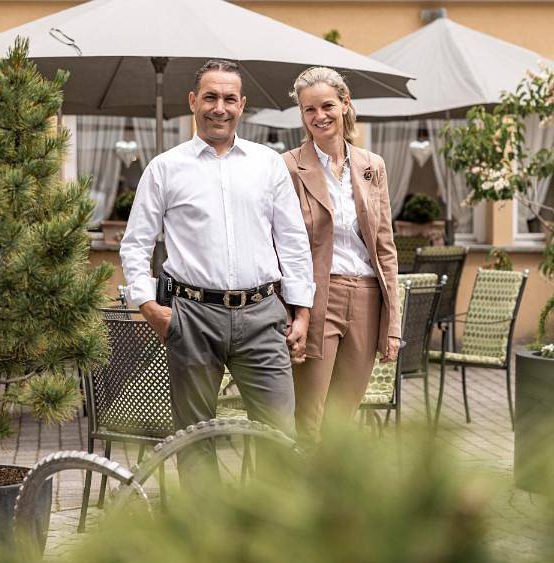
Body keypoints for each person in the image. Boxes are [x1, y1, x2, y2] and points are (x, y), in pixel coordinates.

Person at [120, 59, 314, 470]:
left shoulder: (267, 165)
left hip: (263, 315)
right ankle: (202, 532)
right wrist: (147, 305)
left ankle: (272, 531)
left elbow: (293, 241)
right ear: (193, 101)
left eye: (229, 98)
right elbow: (136, 244)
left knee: (280, 437)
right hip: (192, 315)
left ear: (242, 105)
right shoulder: (165, 169)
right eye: (210, 97)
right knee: (194, 439)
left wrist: (302, 311)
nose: (219, 107)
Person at [284, 66, 401, 446]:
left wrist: (393, 324)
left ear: (346, 103)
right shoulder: (287, 167)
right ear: (301, 115)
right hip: (318, 297)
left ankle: (332, 499)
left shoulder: (372, 166)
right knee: (310, 415)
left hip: (367, 297)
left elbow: (385, 246)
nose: (319, 116)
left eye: (327, 106)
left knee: (343, 414)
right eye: (309, 110)